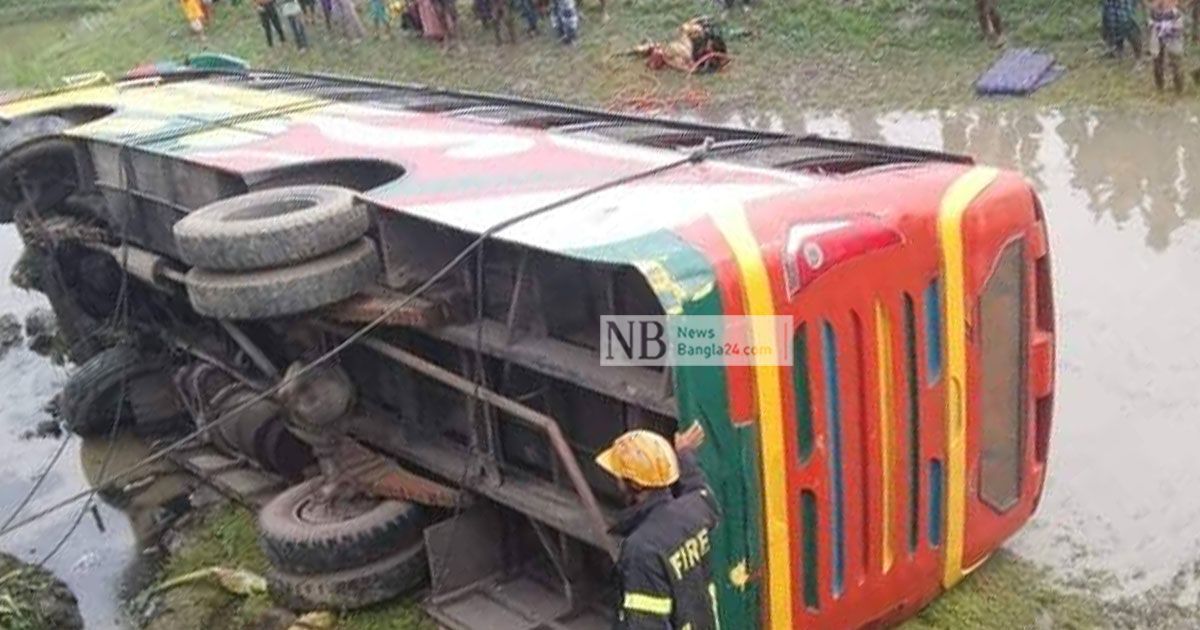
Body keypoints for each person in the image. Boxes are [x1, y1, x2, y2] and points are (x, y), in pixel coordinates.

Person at [595, 424, 721, 630]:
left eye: (619, 475)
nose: (616, 479)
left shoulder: (641, 549)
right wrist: (684, 455)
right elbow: (698, 487)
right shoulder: (696, 509)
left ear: (634, 484)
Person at [1149, 0, 1185, 92]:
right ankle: (1160, 87)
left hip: (1173, 23)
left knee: (1175, 59)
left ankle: (1178, 87)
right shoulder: (1155, 10)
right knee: (1157, 59)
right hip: (1157, 21)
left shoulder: (1176, 12)